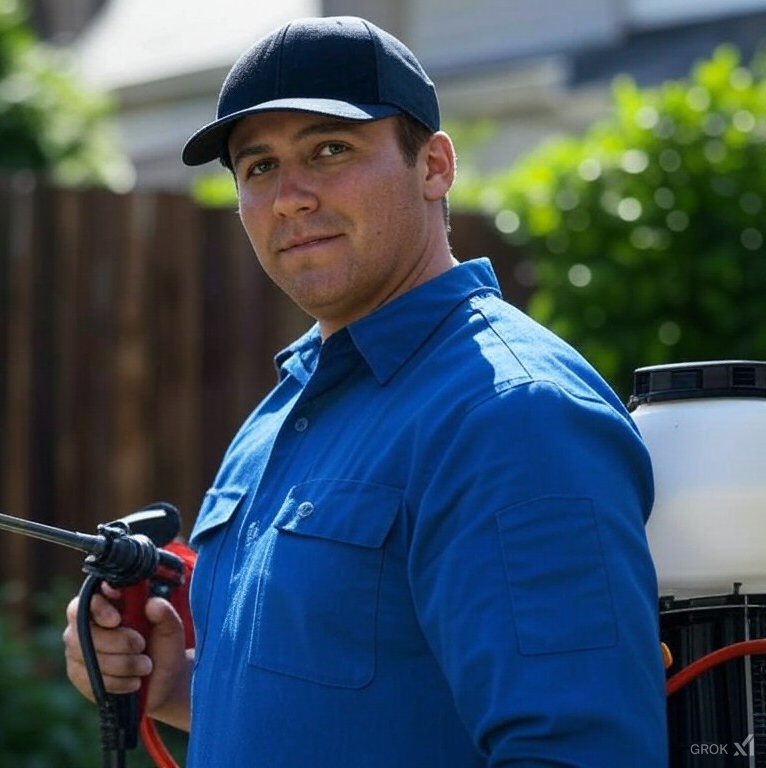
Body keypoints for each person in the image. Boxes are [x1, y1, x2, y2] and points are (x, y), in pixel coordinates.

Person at [64, 15, 667, 767]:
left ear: (434, 167)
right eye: (258, 168)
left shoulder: (511, 415)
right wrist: (176, 685)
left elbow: (580, 751)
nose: (289, 197)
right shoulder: (280, 416)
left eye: (330, 150)